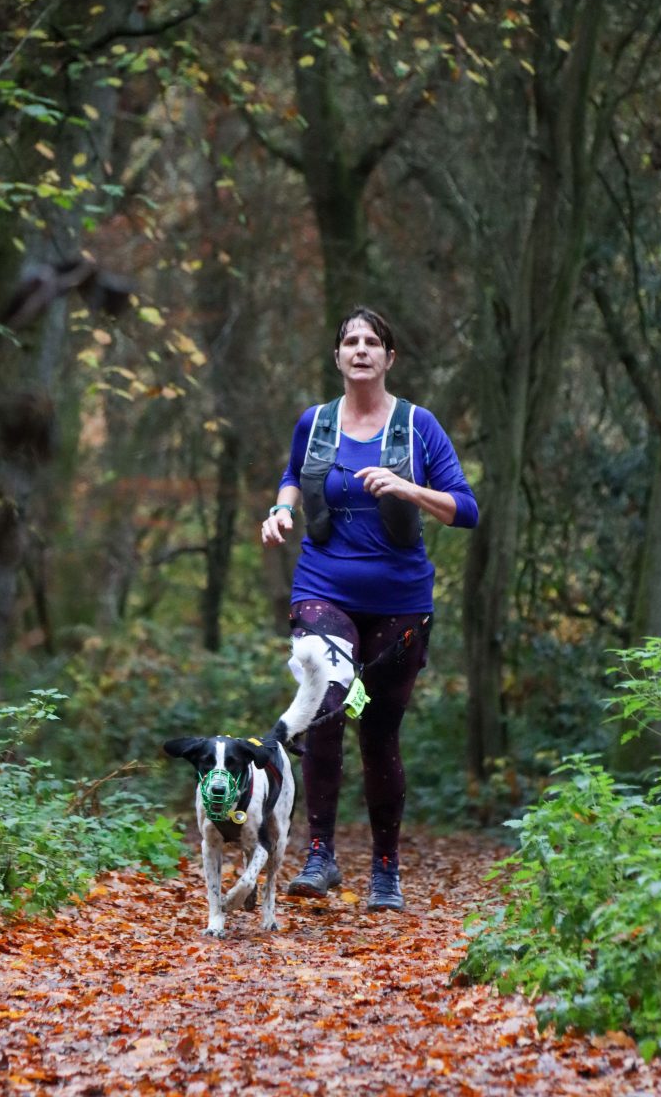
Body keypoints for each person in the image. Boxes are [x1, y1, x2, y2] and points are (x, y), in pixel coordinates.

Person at [261, 307, 478, 911]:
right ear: (337, 357)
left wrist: (409, 488)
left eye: (372, 342)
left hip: (400, 601)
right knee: (325, 704)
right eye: (351, 341)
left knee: (379, 732)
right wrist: (281, 509)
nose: (361, 349)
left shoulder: (418, 426)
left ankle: (386, 870)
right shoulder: (316, 423)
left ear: (389, 357)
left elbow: (466, 508)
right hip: (322, 586)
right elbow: (292, 475)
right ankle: (320, 855)